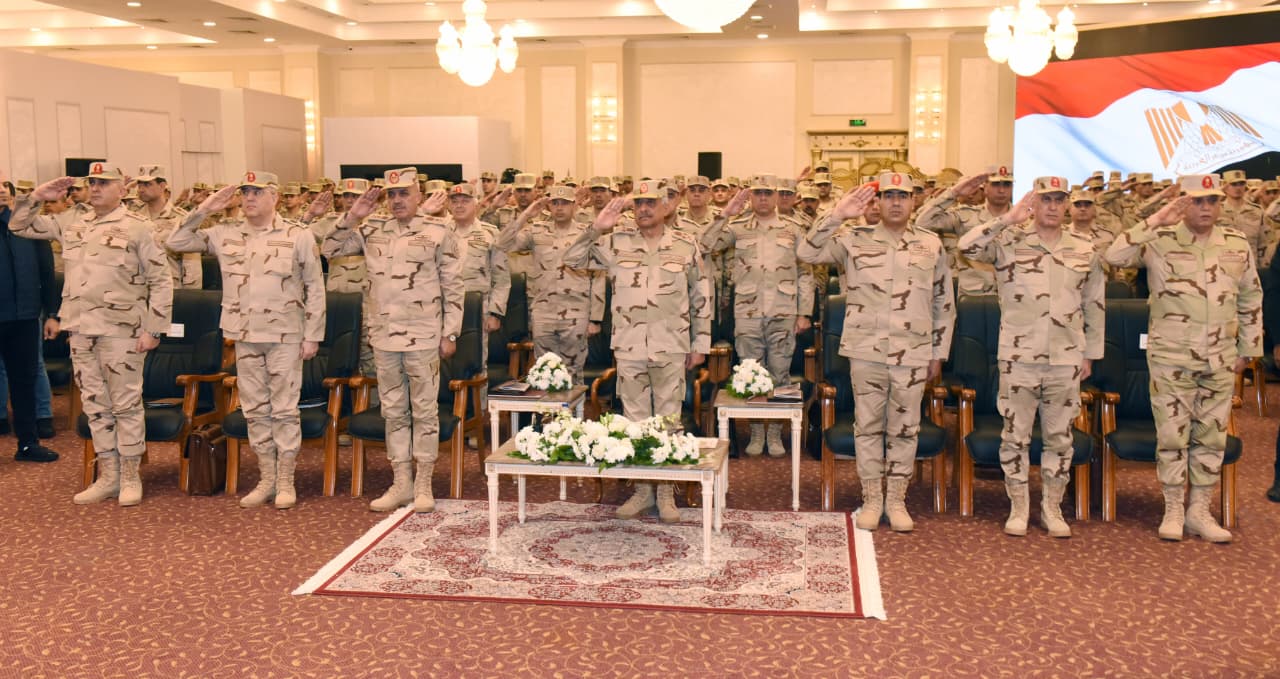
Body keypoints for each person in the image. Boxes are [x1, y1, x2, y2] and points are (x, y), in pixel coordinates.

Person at [1105, 174, 1262, 542]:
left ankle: (1199, 510)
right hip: (1171, 357)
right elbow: (1113, 256)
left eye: (1212, 200)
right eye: (1197, 201)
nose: (1206, 207)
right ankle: (1173, 507)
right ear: (1182, 203)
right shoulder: (1159, 239)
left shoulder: (1236, 243)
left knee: (1212, 436)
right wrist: (1157, 219)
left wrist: (1248, 350)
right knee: (1172, 435)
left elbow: (1250, 296)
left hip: (1220, 357)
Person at [797, 174, 954, 531]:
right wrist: (837, 215)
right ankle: (871, 499)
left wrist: (938, 353)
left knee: (905, 428)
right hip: (866, 350)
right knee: (867, 426)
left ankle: (896, 500)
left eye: (903, 196)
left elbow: (944, 303)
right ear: (877, 202)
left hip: (912, 351)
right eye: (889, 195)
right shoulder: (853, 239)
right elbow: (806, 252)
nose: (896, 202)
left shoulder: (931, 244)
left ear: (913, 201)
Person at [11, 164, 174, 503]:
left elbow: (161, 280)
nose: (96, 188)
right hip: (81, 329)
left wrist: (155, 328)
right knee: (96, 405)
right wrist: (37, 196)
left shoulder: (138, 227)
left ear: (122, 189)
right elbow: (19, 225)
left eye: (104, 183)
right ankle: (109, 476)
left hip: (122, 330)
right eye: (92, 183)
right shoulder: (73, 222)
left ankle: (130, 476)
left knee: (126, 404)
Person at [168, 171, 326, 510]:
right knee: (254, 410)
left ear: (275, 197)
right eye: (245, 192)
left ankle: (286, 479)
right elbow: (176, 241)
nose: (249, 197)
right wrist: (205, 209)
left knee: (284, 409)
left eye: (257, 191)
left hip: (285, 334)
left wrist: (313, 335)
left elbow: (315, 287)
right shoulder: (224, 233)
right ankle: (267, 478)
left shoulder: (297, 235)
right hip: (244, 333)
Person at [957, 176, 1105, 538]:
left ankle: (1052, 507)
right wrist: (1007, 219)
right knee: (1015, 436)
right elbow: (966, 247)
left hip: (1066, 358)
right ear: (1033, 204)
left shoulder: (1085, 248)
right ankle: (1019, 506)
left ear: (1067, 205)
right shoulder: (1009, 243)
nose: (1053, 206)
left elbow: (1094, 304)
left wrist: (1090, 353)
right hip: (1019, 357)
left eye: (1059, 200)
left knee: (1060, 438)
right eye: (1045, 199)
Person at [563, 180, 712, 523]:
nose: (644, 209)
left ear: (666, 206)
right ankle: (643, 489)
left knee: (669, 420)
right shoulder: (616, 242)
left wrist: (700, 344)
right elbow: (570, 258)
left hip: (671, 344)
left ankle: (666, 491)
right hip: (630, 345)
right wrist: (596, 228)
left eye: (651, 203)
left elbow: (701, 296)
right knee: (635, 421)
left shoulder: (685, 244)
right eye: (638, 204)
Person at [324, 169, 464, 513]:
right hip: (384, 336)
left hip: (423, 335)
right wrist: (353, 215)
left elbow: (453, 285)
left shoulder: (438, 231)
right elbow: (329, 248)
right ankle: (402, 482)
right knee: (394, 411)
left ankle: (424, 483)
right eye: (392, 194)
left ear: (419, 196)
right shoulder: (371, 229)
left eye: (404, 193)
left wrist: (450, 332)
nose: (397, 200)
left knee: (425, 410)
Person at [700, 174, 814, 457]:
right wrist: (726, 214)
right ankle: (756, 429)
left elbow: (805, 272)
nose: (763, 198)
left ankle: (774, 430)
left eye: (768, 193)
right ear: (750, 196)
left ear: (777, 196)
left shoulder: (793, 229)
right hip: (747, 312)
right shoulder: (738, 228)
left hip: (783, 311)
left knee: (780, 373)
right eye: (758, 193)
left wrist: (804, 312)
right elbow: (705, 245)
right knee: (751, 373)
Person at [496, 186, 604, 380]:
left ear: (575, 205)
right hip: (543, 312)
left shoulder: (586, 234)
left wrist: (595, 318)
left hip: (576, 313)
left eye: (565, 203)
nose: (559, 208)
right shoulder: (536, 231)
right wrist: (526, 215)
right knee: (545, 373)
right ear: (549, 206)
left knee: (573, 374)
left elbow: (598, 275)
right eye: (555, 203)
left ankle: (574, 402)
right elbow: (501, 244)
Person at [0, 181, 60, 461]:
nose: (1, 189)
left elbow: (47, 272)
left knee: (24, 381)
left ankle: (27, 443)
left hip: (25, 317)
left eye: (4, 184)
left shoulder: (28, 225)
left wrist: (53, 314)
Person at [916, 165, 1016, 295]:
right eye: (996, 184)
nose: (1001, 190)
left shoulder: (1026, 222)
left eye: (1007, 185)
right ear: (985, 187)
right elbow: (923, 222)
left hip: (1015, 298)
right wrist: (954, 193)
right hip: (973, 297)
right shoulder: (966, 216)